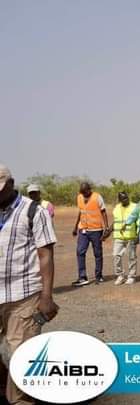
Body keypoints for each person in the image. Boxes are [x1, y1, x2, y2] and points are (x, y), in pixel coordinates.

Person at [0, 164, 59, 404]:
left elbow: (45, 255)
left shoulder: (34, 211)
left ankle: (20, 400)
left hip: (22, 296)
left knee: (22, 358)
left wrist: (46, 297)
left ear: (11, 184)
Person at [72, 182, 110, 286]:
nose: (83, 194)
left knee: (97, 253)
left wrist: (106, 227)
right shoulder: (79, 197)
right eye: (82, 192)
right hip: (83, 229)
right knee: (80, 252)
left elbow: (103, 212)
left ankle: (99, 276)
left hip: (96, 230)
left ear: (89, 189)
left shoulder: (97, 197)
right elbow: (80, 212)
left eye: (85, 192)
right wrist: (75, 226)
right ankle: (82, 277)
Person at [112, 192, 140, 285]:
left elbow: (139, 222)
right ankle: (120, 276)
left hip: (131, 236)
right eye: (123, 199)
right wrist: (108, 232)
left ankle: (131, 276)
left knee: (131, 257)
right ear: (120, 200)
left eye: (126, 198)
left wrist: (138, 235)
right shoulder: (116, 208)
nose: (126, 200)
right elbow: (115, 221)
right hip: (118, 236)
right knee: (116, 255)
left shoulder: (135, 207)